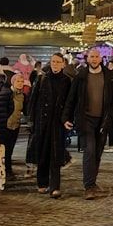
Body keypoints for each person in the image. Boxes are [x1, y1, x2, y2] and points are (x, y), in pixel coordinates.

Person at [62, 46, 113, 199]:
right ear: (87, 58)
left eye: (96, 57)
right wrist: (66, 117)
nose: (93, 59)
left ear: (101, 59)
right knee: (90, 150)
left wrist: (112, 115)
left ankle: (92, 182)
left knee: (97, 152)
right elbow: (72, 98)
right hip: (86, 119)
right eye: (91, 56)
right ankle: (88, 186)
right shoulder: (81, 76)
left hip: (103, 120)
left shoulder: (109, 76)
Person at [26, 52, 73, 198]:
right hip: (42, 121)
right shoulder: (41, 79)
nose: (55, 64)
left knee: (56, 154)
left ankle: (55, 187)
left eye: (58, 62)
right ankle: (42, 183)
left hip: (58, 122)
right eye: (53, 61)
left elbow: (69, 103)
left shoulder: (67, 81)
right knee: (43, 153)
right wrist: (31, 120)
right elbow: (33, 100)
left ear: (63, 64)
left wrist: (67, 118)